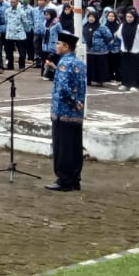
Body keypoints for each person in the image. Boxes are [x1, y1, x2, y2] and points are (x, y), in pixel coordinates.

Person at [44, 27, 87, 192]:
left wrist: (72, 102)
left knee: (62, 147)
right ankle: (75, 178)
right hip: (76, 114)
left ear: (67, 47)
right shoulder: (78, 62)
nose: (56, 46)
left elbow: (63, 88)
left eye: (59, 44)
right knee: (75, 146)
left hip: (63, 111)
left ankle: (64, 179)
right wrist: (77, 104)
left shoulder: (64, 63)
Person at [117, 8, 139, 91]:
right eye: (127, 17)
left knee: (134, 68)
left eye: (131, 17)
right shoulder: (123, 25)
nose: (129, 18)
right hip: (125, 50)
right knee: (125, 68)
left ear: (134, 17)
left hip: (135, 50)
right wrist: (124, 42)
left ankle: (135, 84)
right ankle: (125, 84)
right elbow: (119, 35)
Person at [3, 0, 31, 72]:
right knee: (9, 52)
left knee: (22, 52)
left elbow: (25, 23)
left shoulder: (21, 12)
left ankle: (21, 66)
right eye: (11, 2)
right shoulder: (7, 11)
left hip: (20, 35)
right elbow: (6, 21)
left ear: (17, 3)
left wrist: (25, 30)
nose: (13, 4)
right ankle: (10, 65)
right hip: (10, 34)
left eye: (14, 2)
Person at [85, 11, 113, 87]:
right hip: (88, 50)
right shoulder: (85, 26)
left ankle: (100, 80)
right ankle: (88, 80)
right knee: (89, 66)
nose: (91, 19)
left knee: (99, 66)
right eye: (89, 17)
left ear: (96, 18)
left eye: (93, 17)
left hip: (100, 51)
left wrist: (103, 44)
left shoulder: (102, 27)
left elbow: (109, 37)